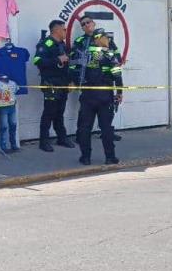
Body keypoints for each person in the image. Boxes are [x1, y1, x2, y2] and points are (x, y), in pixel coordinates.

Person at [70, 28, 124, 165]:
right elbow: (117, 75)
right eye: (106, 37)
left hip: (87, 95)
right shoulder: (109, 54)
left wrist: (77, 83)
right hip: (105, 95)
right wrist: (119, 93)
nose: (108, 40)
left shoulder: (83, 54)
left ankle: (85, 157)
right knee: (106, 128)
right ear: (98, 39)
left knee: (85, 128)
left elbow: (72, 71)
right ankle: (110, 157)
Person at [33, 20, 74, 152]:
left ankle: (61, 138)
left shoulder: (62, 44)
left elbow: (68, 65)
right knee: (49, 113)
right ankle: (43, 142)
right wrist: (57, 60)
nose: (66, 32)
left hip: (63, 84)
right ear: (56, 30)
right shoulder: (46, 43)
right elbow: (37, 60)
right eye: (64, 29)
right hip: (50, 84)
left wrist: (70, 81)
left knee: (60, 113)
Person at [0, 74, 19, 153]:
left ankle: (13, 144)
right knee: (4, 126)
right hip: (3, 107)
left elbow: (15, 91)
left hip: (12, 106)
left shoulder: (13, 83)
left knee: (13, 124)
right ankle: (3, 146)